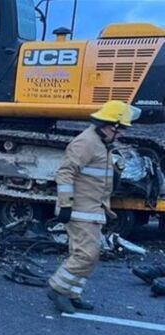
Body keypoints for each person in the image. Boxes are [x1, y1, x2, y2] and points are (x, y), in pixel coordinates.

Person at [47, 100, 140, 313]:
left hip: (92, 209)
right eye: (120, 129)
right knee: (86, 255)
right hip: (80, 210)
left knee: (87, 254)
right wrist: (66, 205)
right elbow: (65, 173)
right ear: (109, 126)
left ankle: (72, 293)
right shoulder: (86, 142)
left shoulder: (100, 143)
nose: (122, 134)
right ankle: (57, 289)